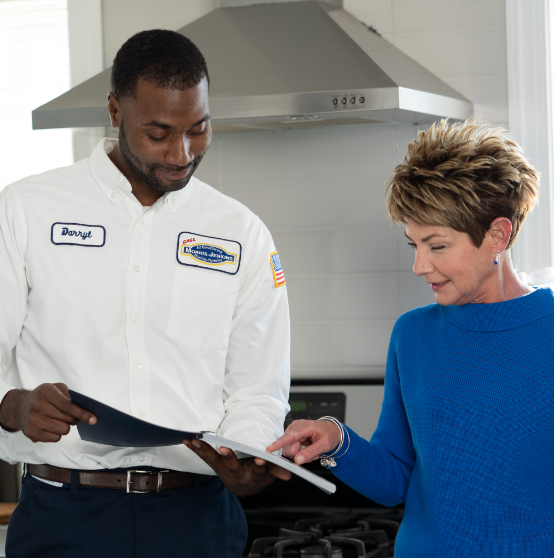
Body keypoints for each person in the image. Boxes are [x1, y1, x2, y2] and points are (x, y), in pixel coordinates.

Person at [0, 30, 291, 558]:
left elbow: (257, 387)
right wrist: (12, 405)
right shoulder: (25, 211)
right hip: (63, 517)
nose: (182, 153)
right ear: (115, 110)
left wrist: (247, 458)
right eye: (159, 134)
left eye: (198, 129)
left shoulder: (241, 233)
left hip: (198, 520)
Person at [267, 119, 553, 557]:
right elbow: (394, 478)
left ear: (498, 234)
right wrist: (337, 439)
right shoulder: (413, 335)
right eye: (413, 245)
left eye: (436, 246)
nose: (419, 266)